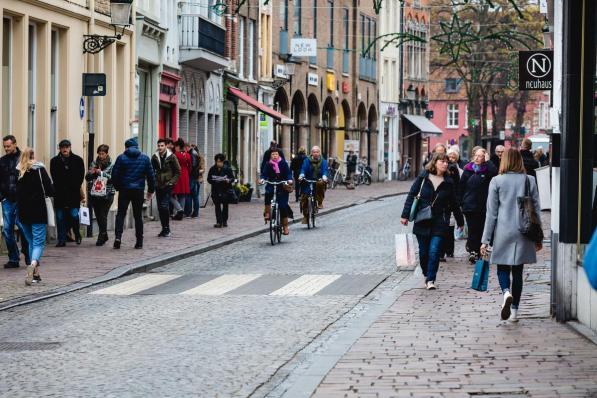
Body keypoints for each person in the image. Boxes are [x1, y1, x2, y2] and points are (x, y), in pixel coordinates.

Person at [481, 149, 542, 322]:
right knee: (518, 271)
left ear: (504, 161)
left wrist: (485, 240)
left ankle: (506, 292)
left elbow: (491, 214)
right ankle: (514, 312)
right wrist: (538, 237)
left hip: (503, 230)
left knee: (502, 267)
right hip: (524, 231)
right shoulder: (529, 180)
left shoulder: (496, 181)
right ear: (520, 161)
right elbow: (536, 210)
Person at [401, 153, 464, 290]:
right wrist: (405, 215)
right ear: (435, 162)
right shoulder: (423, 177)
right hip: (422, 220)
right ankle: (426, 273)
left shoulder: (448, 181)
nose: (445, 164)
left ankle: (431, 279)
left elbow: (454, 203)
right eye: (442, 161)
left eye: (447, 162)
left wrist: (460, 221)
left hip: (439, 221)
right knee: (423, 252)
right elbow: (412, 195)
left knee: (434, 251)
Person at [16, 148, 54, 286]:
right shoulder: (39, 169)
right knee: (38, 242)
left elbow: (14, 191)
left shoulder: (18, 171)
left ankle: (36, 274)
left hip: (23, 212)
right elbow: (50, 189)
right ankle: (32, 265)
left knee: (31, 241)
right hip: (38, 210)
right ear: (34, 156)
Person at [110, 137, 156, 249]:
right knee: (138, 216)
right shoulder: (145, 158)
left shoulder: (121, 158)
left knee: (120, 214)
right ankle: (139, 241)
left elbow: (114, 175)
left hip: (124, 189)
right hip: (138, 190)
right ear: (137, 146)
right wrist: (150, 190)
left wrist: (118, 187)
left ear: (126, 147)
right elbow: (151, 176)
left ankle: (118, 237)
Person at [459, 147, 498, 263]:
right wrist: (461, 202)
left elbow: (495, 173)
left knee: (481, 228)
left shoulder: (488, 170)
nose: (477, 158)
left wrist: (488, 161)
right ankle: (473, 251)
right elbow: (461, 187)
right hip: (469, 206)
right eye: (475, 155)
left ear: (484, 157)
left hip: (483, 205)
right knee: (472, 229)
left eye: (480, 156)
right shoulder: (468, 169)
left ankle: (480, 250)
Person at [0, 135, 29, 268]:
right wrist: (2, 196)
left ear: (15, 144)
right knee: (7, 230)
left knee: (23, 227)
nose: (6, 149)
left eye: (8, 146)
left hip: (21, 199)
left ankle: (28, 254)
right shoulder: (2, 161)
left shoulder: (23, 158)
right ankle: (13, 258)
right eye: (4, 146)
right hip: (7, 199)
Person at [50, 139, 85, 247]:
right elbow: (54, 176)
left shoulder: (78, 160)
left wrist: (75, 185)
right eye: (63, 147)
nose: (65, 149)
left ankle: (77, 234)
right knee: (60, 217)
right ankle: (61, 239)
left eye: (67, 147)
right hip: (60, 193)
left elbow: (81, 175)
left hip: (73, 193)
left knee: (74, 215)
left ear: (70, 148)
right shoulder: (54, 161)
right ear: (59, 149)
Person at [85, 145, 115, 246]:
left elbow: (113, 178)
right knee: (98, 215)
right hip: (95, 193)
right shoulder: (94, 163)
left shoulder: (112, 164)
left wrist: (101, 173)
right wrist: (92, 173)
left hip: (108, 193)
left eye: (103, 154)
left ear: (107, 153)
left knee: (103, 214)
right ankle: (104, 234)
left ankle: (101, 236)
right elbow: (87, 177)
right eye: (99, 154)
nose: (101, 156)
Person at [151, 138, 181, 238]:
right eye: (159, 146)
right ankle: (164, 228)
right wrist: (154, 181)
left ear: (165, 146)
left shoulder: (171, 157)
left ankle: (167, 229)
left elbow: (178, 171)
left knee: (164, 206)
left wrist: (172, 182)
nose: (160, 147)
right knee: (160, 208)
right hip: (158, 185)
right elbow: (152, 170)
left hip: (168, 185)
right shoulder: (155, 157)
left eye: (162, 146)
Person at [260, 148, 294, 235]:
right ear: (270, 156)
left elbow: (288, 173)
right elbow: (264, 174)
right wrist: (262, 179)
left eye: (276, 154)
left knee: (283, 206)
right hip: (271, 184)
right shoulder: (268, 164)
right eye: (273, 154)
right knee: (268, 194)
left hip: (282, 186)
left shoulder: (283, 163)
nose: (274, 156)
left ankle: (285, 226)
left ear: (279, 155)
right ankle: (267, 212)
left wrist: (289, 180)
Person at [440, 146, 463, 260]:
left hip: (451, 202)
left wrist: (458, 200)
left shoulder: (454, 170)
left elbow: (458, 186)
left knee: (449, 227)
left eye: (454, 157)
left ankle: (449, 250)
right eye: (450, 156)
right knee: (445, 226)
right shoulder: (443, 168)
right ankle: (443, 251)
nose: (452, 159)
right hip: (444, 202)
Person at [299, 146, 328, 223]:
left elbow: (325, 170)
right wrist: (302, 174)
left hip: (318, 180)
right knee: (304, 198)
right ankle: (305, 216)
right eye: (314, 152)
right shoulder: (306, 160)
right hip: (308, 180)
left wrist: (324, 176)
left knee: (320, 184)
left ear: (319, 153)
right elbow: (303, 168)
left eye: (317, 152)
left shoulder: (323, 161)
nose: (315, 153)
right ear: (311, 153)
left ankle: (319, 202)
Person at [207, 153, 235, 228]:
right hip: (216, 190)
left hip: (225, 190)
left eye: (220, 161)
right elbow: (209, 179)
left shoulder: (227, 169)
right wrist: (214, 181)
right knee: (217, 206)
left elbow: (232, 178)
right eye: (217, 161)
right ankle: (219, 222)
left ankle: (224, 221)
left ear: (223, 161)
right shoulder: (212, 169)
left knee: (225, 206)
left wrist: (228, 180)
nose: (218, 163)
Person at [170, 139, 191, 220]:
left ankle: (179, 209)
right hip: (185, 176)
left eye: (175, 146)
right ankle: (180, 214)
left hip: (177, 176)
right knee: (182, 195)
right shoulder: (187, 155)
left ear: (178, 146)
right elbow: (190, 167)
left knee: (170, 194)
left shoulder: (175, 155)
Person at [185, 144, 204, 218]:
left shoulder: (192, 154)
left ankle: (189, 212)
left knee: (189, 195)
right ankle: (195, 213)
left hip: (193, 177)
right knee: (195, 196)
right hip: (196, 178)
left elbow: (193, 166)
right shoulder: (197, 155)